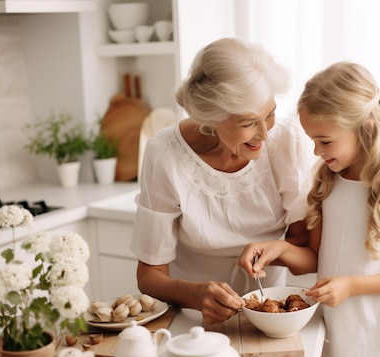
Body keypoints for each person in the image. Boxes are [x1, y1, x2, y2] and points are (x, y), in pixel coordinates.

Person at [239, 61, 380, 357]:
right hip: (338, 342)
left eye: (324, 140)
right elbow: (316, 258)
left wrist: (351, 286)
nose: (316, 151)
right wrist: (280, 249)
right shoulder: (328, 181)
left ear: (365, 129)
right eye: (312, 140)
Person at [130, 37, 315, 325]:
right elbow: (149, 276)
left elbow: (303, 249)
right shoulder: (165, 153)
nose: (264, 134)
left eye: (270, 114)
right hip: (192, 316)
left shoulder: (286, 142)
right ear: (211, 117)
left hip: (270, 312)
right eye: (247, 123)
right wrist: (196, 294)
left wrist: (274, 253)